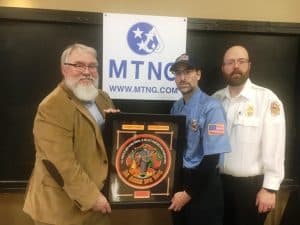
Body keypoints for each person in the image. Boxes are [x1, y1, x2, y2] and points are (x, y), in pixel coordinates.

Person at [23, 43, 119, 225]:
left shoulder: (102, 97)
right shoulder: (52, 106)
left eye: (92, 66)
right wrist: (92, 198)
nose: (87, 71)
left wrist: (116, 125)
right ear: (64, 68)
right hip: (61, 210)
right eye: (79, 65)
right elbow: (60, 162)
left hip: (99, 201)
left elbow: (102, 144)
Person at [213, 45, 286, 225]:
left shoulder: (267, 100)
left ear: (249, 65)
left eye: (241, 61)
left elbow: (275, 147)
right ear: (223, 68)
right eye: (230, 62)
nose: (235, 66)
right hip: (217, 186)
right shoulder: (214, 100)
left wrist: (269, 188)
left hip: (250, 189)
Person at [168, 54, 231, 225]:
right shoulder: (177, 106)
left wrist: (188, 193)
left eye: (188, 72)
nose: (182, 78)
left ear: (198, 74)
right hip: (181, 181)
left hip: (203, 185)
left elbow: (212, 158)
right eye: (178, 73)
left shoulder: (212, 107)